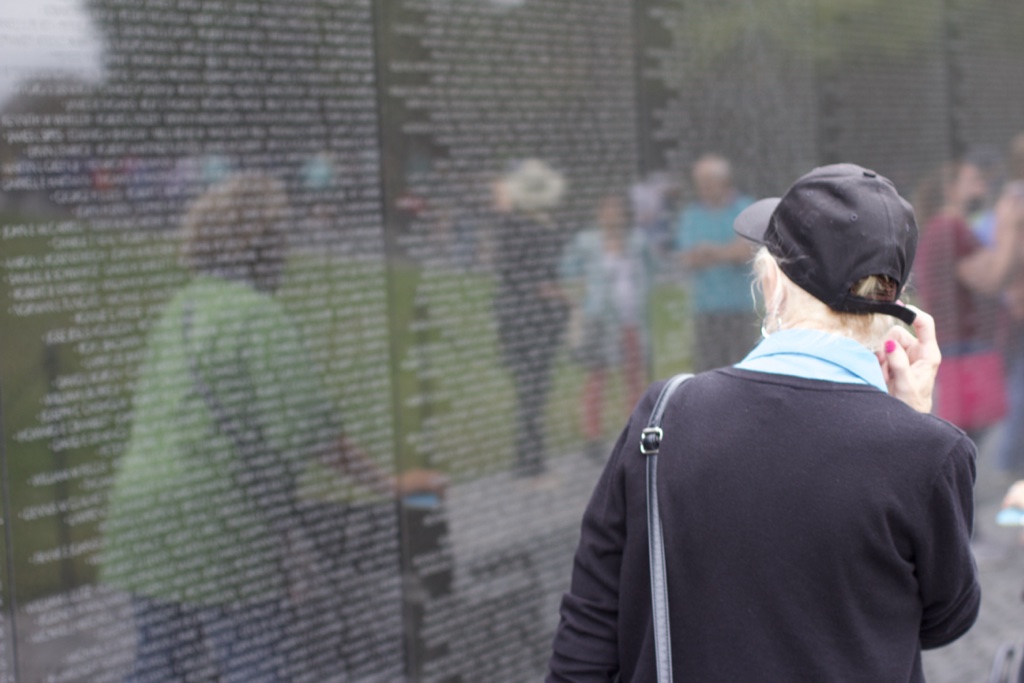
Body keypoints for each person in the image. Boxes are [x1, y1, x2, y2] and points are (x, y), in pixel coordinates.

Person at [548, 164, 980, 682]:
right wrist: (911, 424)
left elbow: (589, 628)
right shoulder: (928, 453)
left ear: (771, 282)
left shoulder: (663, 415)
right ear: (895, 305)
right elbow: (945, 618)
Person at [101, 175, 442, 682]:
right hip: (218, 526)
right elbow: (309, 431)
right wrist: (390, 486)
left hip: (142, 521)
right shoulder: (260, 316)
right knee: (258, 662)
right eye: (279, 237)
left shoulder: (184, 306)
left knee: (160, 664)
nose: (286, 250)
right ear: (259, 244)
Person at [913, 159, 1019, 440]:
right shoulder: (949, 229)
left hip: (964, 346)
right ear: (950, 190)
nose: (981, 188)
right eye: (973, 181)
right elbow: (993, 278)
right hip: (963, 348)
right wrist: (1010, 226)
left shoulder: (951, 228)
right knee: (966, 440)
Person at [560, 193, 654, 461]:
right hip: (601, 320)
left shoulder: (637, 241)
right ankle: (593, 437)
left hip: (631, 319)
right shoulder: (587, 242)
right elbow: (567, 269)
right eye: (607, 210)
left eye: (617, 210)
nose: (612, 216)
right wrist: (583, 295)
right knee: (597, 378)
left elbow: (652, 267)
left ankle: (636, 434)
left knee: (634, 377)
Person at [493, 159, 571, 478]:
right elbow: (523, 278)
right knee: (530, 394)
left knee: (535, 394)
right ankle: (529, 464)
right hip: (527, 321)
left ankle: (531, 461)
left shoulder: (532, 225)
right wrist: (552, 292)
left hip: (535, 321)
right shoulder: (520, 227)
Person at [674, 154, 756, 372]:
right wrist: (728, 251)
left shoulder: (745, 208)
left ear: (724, 182)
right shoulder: (692, 215)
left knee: (744, 370)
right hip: (706, 311)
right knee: (708, 372)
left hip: (740, 310)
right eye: (700, 184)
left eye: (708, 183)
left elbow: (747, 251)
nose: (703, 189)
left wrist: (712, 252)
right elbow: (687, 258)